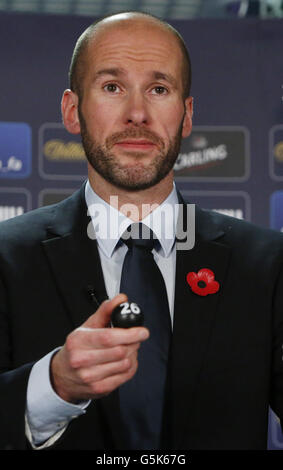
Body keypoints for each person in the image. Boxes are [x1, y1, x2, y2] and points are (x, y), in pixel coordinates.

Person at [1, 11, 283, 451]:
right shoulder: (5, 257)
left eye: (159, 89)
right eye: (112, 87)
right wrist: (52, 385)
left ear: (186, 116)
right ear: (73, 111)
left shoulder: (267, 264)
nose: (137, 114)